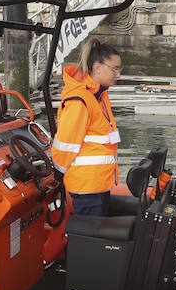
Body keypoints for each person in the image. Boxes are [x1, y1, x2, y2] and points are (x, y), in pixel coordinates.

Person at [50, 39, 122, 217]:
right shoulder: (80, 100)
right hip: (87, 184)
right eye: (115, 69)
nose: (118, 74)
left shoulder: (98, 96)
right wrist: (58, 174)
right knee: (90, 235)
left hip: (98, 182)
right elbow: (66, 144)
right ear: (97, 67)